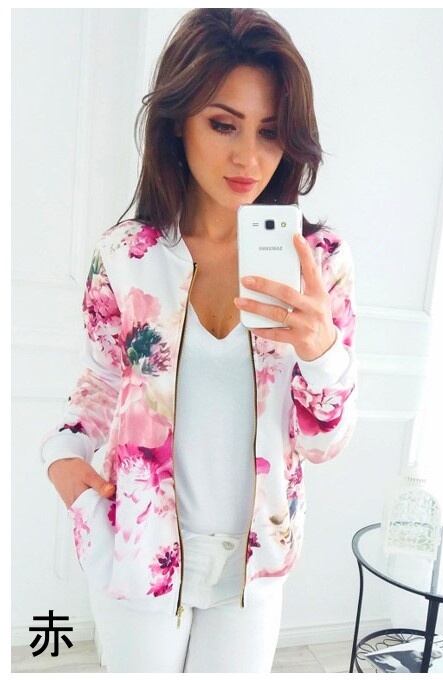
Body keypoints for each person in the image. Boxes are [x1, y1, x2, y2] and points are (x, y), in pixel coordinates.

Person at [39, 8, 358, 673]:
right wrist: (63, 460)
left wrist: (321, 351)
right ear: (177, 121)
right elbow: (102, 379)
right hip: (140, 548)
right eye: (223, 124)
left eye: (270, 131)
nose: (249, 157)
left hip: (254, 562)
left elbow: (323, 446)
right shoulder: (126, 254)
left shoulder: (318, 263)